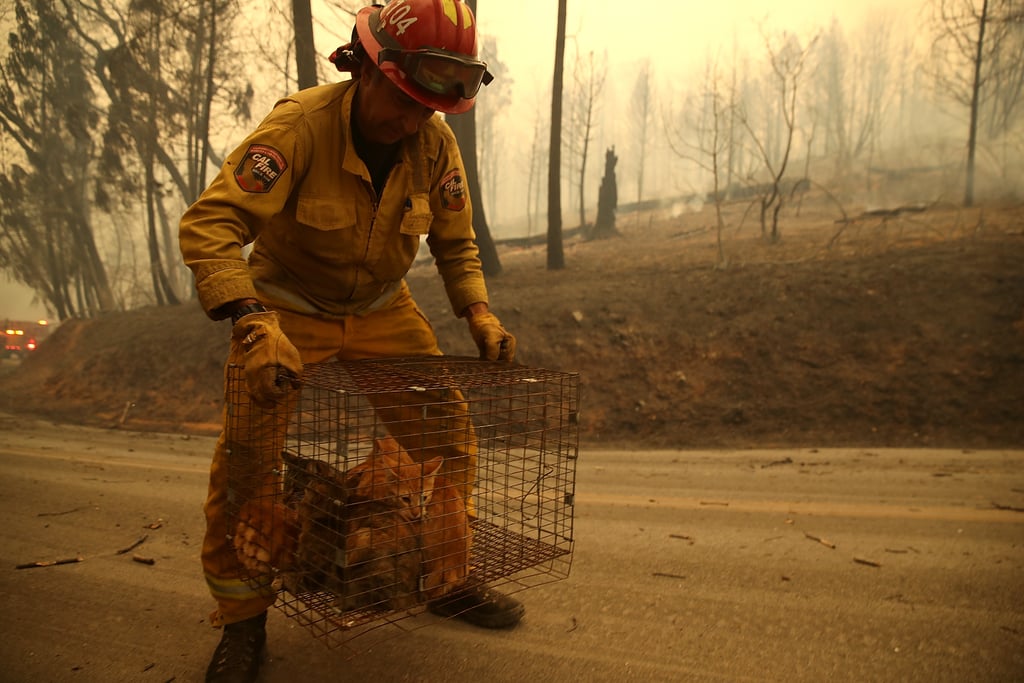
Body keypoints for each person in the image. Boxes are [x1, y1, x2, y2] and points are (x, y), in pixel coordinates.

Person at [178, 2, 521, 681]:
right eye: (403, 99)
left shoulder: (433, 145)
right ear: (363, 67)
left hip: (382, 307)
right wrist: (252, 321)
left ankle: (444, 577)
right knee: (248, 463)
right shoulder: (298, 128)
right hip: (284, 306)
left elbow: (455, 241)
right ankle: (243, 624)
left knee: (447, 436)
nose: (413, 119)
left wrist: (478, 313)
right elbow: (211, 224)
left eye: (430, 107)